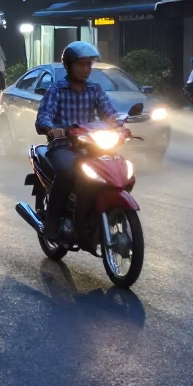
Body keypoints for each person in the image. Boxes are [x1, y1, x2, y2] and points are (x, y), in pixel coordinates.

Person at [34, 42, 119, 243]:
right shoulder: (56, 90)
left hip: (90, 146)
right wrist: (51, 129)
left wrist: (120, 127)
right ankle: (53, 221)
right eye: (81, 65)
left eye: (89, 64)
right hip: (62, 147)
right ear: (69, 66)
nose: (86, 69)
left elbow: (109, 112)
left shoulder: (94, 89)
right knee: (67, 172)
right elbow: (44, 116)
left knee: (113, 167)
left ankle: (96, 213)